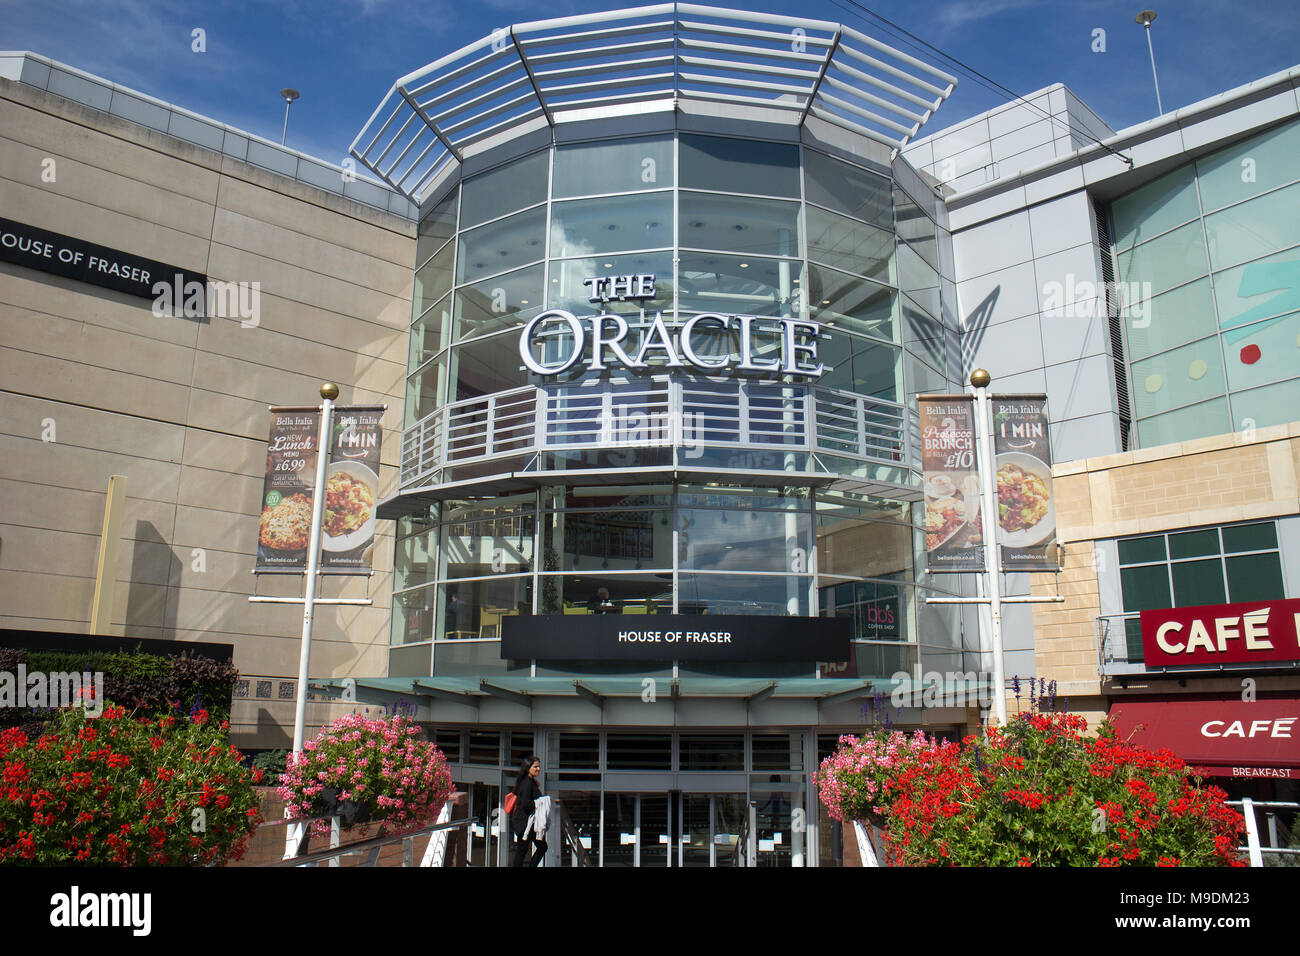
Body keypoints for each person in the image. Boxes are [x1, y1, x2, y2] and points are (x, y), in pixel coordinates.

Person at [510, 755, 546, 866]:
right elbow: (525, 804)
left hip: (527, 823)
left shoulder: (529, 782)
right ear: (528, 768)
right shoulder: (527, 783)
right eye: (535, 767)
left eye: (538, 767)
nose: (538, 769)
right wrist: (538, 803)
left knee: (525, 850)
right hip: (525, 823)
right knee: (524, 850)